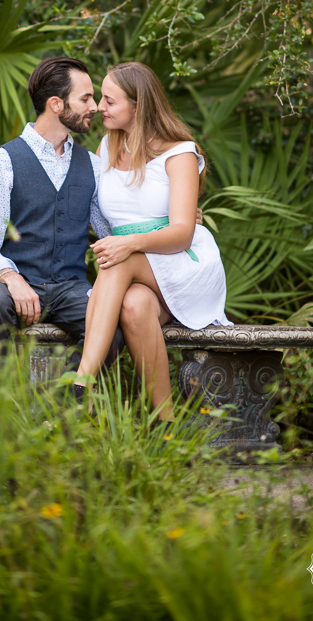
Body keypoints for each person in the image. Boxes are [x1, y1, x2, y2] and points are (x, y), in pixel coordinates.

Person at [74, 61, 232, 420]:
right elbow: (97, 211)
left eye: (109, 100)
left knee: (118, 258)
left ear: (138, 106)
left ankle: (80, 384)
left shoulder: (180, 153)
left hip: (183, 261)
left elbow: (181, 233)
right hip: (136, 270)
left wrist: (129, 243)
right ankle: (167, 425)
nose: (99, 106)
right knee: (135, 306)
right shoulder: (107, 147)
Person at [0, 55, 122, 366]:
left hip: (73, 289)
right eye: (85, 98)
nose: (95, 107)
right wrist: (11, 278)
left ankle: (66, 404)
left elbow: (114, 231)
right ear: (56, 104)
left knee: (113, 328)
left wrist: (173, 219)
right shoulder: (0, 162)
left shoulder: (92, 164)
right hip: (18, 281)